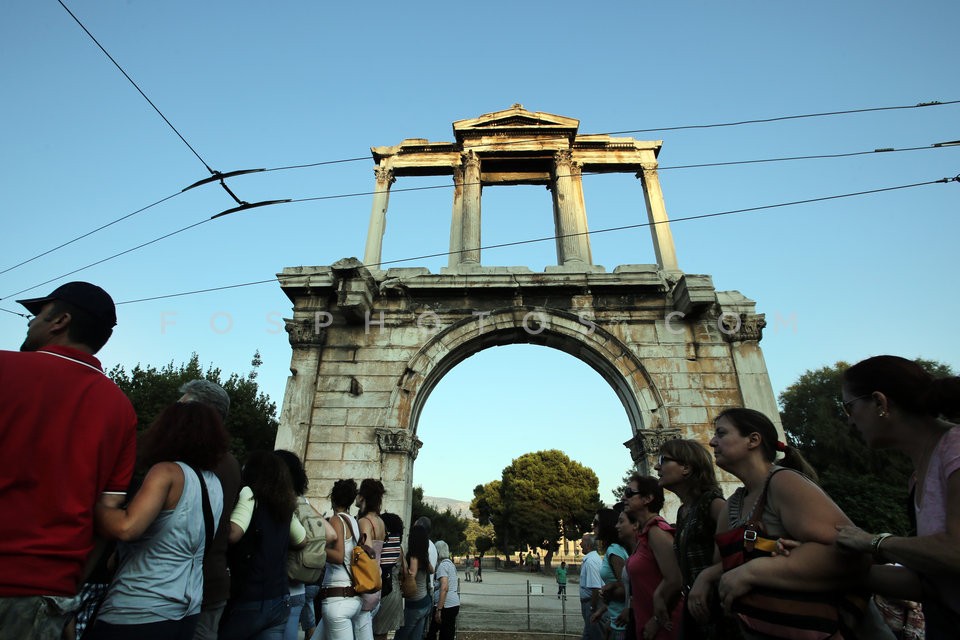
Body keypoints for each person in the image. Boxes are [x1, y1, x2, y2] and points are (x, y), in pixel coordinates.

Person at [0, 281, 137, 639]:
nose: (29, 324)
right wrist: (65, 596)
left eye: (37, 316)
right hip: (48, 594)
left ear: (59, 321)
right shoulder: (121, 409)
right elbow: (105, 518)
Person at [688, 408, 873, 638]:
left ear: (753, 440)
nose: (712, 441)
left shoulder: (783, 482)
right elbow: (727, 563)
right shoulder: (733, 504)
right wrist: (707, 576)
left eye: (722, 433)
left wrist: (753, 571)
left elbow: (851, 550)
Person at [834, 355, 960, 638]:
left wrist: (873, 542)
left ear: (880, 403)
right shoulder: (917, 477)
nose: (850, 421)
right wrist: (824, 564)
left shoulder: (956, 449)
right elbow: (929, 583)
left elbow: (956, 551)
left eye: (849, 408)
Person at [86, 402, 228, 639]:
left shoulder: (166, 472)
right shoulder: (214, 483)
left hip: (141, 604)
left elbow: (127, 527)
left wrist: (93, 506)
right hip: (188, 607)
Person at [179, 379, 242, 640]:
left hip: (171, 584)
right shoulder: (231, 464)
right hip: (213, 580)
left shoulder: (184, 460)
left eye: (181, 408)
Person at [219, 451, 306, 640]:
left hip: (250, 596)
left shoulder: (249, 494)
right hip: (279, 597)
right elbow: (302, 540)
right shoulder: (285, 504)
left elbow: (234, 534)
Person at [654, 439, 727, 640]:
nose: (656, 466)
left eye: (663, 460)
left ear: (686, 467)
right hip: (697, 611)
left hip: (718, 613)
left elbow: (738, 556)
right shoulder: (683, 511)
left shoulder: (714, 504)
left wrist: (707, 577)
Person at [275, 450, 334, 640]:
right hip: (298, 590)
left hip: (275, 589)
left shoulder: (277, 501)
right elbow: (331, 534)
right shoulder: (303, 502)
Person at [621, 475, 682, 640]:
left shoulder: (657, 531)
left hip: (662, 626)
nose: (623, 497)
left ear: (647, 498)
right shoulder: (645, 532)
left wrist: (656, 620)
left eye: (629, 492)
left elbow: (675, 579)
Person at [318, 479, 363, 640]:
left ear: (332, 499)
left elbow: (338, 556)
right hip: (351, 596)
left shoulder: (336, 520)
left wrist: (317, 548)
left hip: (337, 599)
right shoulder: (354, 522)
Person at [355, 478, 387, 640]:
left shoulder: (364, 522)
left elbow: (367, 554)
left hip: (365, 585)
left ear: (363, 497)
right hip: (377, 582)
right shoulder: (380, 522)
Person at [591, 507, 629, 640]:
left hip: (621, 624)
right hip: (615, 620)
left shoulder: (614, 551)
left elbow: (627, 588)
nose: (593, 527)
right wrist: (602, 611)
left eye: (596, 523)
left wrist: (607, 591)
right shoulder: (613, 549)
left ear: (606, 525)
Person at [393, 524, 434, 640]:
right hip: (425, 602)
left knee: (400, 637)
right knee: (415, 637)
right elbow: (432, 570)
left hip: (415, 605)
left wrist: (404, 569)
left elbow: (412, 574)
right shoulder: (424, 556)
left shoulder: (414, 557)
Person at [372, 512, 405, 640]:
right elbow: (405, 572)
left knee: (377, 634)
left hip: (385, 593)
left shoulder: (383, 547)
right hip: (395, 593)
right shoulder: (399, 548)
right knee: (383, 634)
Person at [426, 540, 460, 640]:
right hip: (454, 603)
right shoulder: (451, 564)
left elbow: (444, 587)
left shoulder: (442, 566)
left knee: (433, 632)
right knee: (448, 633)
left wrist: (439, 609)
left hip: (446, 605)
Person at [579, 533, 605, 640]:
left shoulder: (591, 562)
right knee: (589, 634)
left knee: (594, 634)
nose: (580, 544)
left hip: (591, 603)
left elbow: (595, 588)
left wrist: (592, 608)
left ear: (588, 546)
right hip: (590, 602)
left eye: (582, 542)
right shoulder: (593, 559)